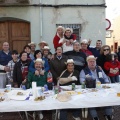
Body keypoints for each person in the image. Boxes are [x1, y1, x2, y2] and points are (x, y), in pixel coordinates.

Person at [79, 55, 112, 120]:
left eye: (93, 61)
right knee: (91, 101)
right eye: (90, 61)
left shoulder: (99, 69)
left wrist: (107, 83)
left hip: (102, 88)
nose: (92, 63)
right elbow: (82, 80)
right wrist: (87, 84)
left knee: (108, 99)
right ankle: (95, 116)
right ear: (87, 63)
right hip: (91, 89)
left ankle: (108, 115)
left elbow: (105, 78)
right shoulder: (84, 71)